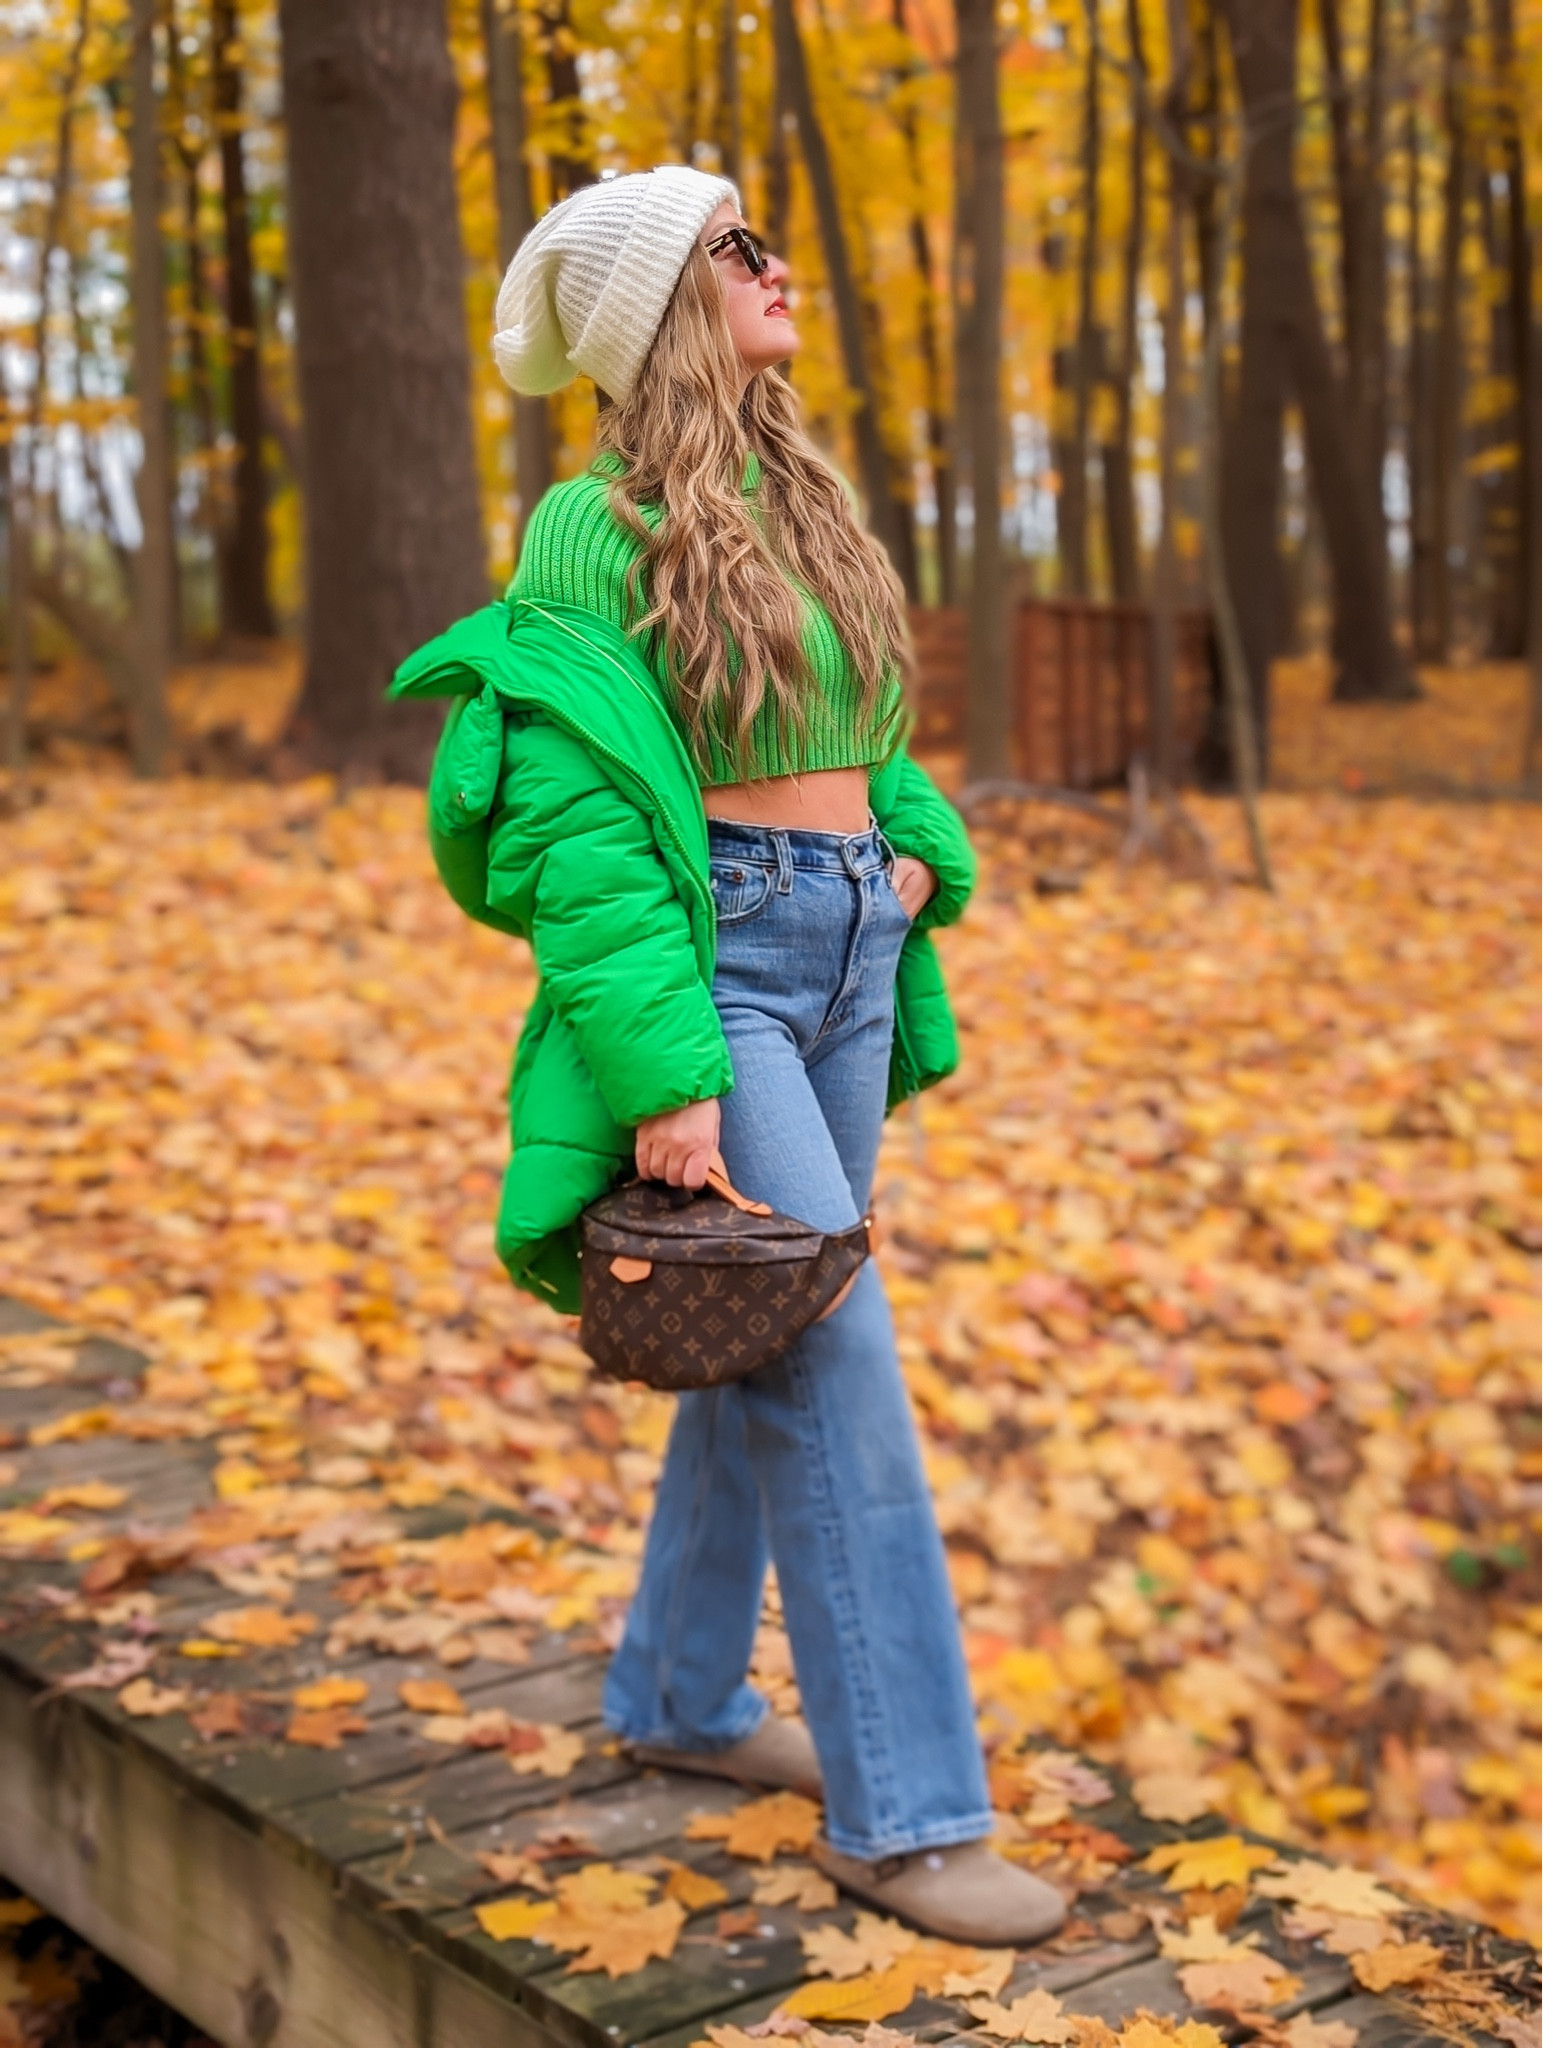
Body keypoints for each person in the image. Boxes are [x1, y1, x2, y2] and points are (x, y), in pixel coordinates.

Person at [396, 165, 1063, 1945]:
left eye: (770, 236)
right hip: (725, 972)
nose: (777, 267)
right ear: (658, 307)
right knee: (836, 1361)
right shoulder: (586, 533)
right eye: (736, 247)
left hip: (851, 937)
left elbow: (865, 725)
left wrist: (919, 856)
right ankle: (911, 1820)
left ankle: (681, 1702)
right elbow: (578, 827)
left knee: (759, 1309)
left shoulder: (801, 499)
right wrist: (670, 1066)